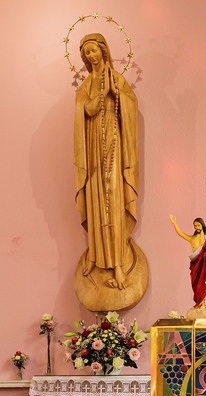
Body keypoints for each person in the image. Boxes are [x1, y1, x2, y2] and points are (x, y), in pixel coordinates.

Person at [74, 33, 139, 291]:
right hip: (92, 153)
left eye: (93, 50)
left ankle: (118, 264)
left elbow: (129, 107)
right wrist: (96, 100)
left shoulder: (116, 79)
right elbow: (84, 112)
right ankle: (94, 256)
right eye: (86, 53)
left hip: (114, 148)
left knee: (113, 199)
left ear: (103, 50)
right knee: (95, 202)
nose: (91, 56)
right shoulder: (85, 86)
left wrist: (116, 93)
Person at [170, 214, 206, 312]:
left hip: (204, 264)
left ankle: (203, 305)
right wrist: (174, 223)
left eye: (198, 225)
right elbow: (181, 233)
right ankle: (199, 303)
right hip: (196, 264)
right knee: (197, 285)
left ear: (202, 225)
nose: (196, 227)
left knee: (204, 283)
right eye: (195, 226)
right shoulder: (192, 238)